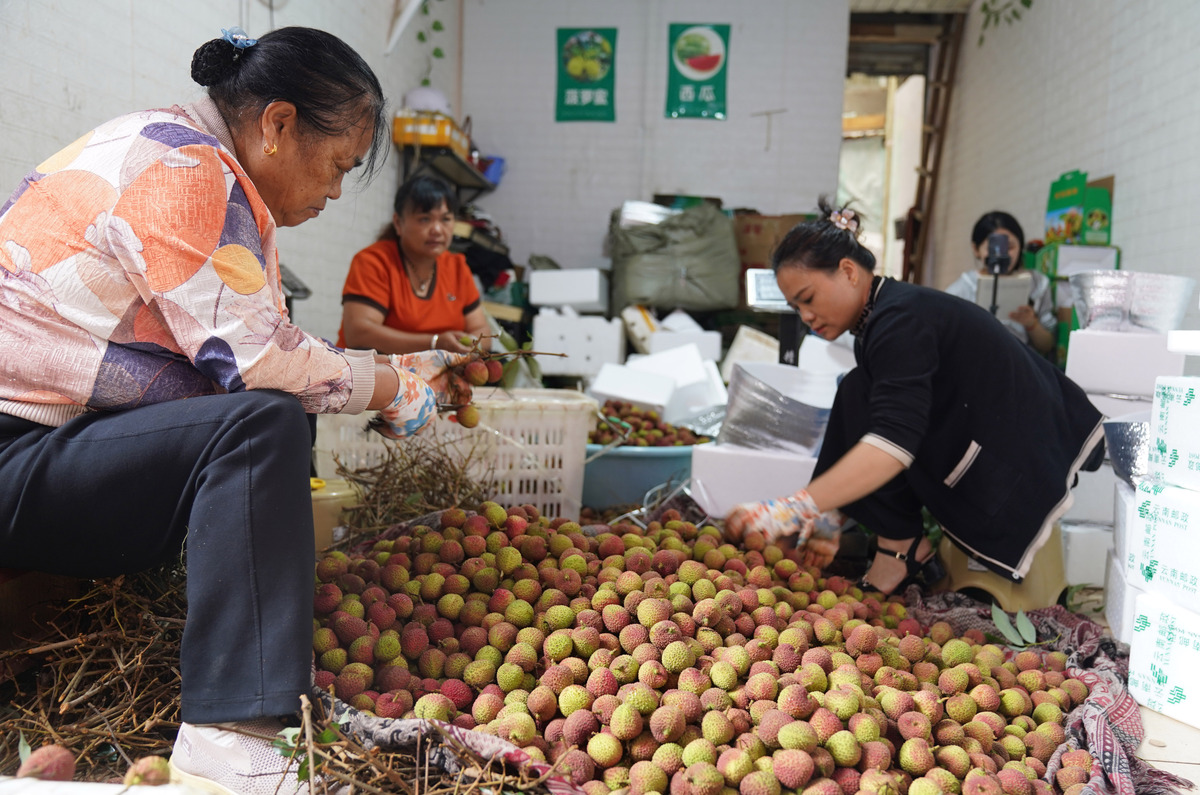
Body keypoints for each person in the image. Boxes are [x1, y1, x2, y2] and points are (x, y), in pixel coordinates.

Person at [0, 26, 473, 794]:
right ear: (279, 124)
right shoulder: (184, 170)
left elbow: (258, 345)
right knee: (265, 418)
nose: (333, 191)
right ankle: (228, 731)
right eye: (338, 165)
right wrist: (391, 385)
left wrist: (380, 372)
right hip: (17, 454)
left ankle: (239, 646)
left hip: (56, 445)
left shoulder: (184, 155)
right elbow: (256, 364)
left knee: (280, 407)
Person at [724, 199, 1105, 596]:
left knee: (874, 411)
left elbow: (894, 443)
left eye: (808, 298)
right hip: (984, 424)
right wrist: (830, 511)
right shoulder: (882, 317)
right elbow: (874, 414)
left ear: (848, 271)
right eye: (795, 306)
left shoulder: (900, 321)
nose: (804, 316)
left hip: (1024, 446)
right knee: (857, 389)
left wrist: (797, 506)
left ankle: (901, 548)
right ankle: (900, 544)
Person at [338, 174, 490, 355]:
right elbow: (360, 333)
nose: (437, 229)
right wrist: (434, 344)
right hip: (373, 376)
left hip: (441, 376)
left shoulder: (457, 267)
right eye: (425, 219)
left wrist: (471, 345)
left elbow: (482, 329)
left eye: (446, 219)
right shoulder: (374, 262)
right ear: (398, 223)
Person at [944, 211, 1056, 357]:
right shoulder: (960, 290)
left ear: (1020, 245)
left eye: (1009, 247)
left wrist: (1031, 323)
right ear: (976, 249)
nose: (1001, 255)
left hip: (1021, 365)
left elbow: (1048, 345)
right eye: (992, 247)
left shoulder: (1037, 283)